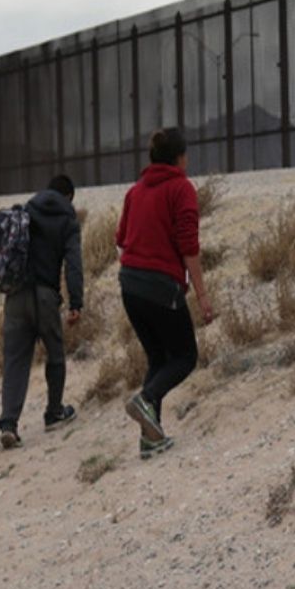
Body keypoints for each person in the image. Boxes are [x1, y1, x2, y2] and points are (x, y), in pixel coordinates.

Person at [116, 128, 216, 459]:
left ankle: (151, 437)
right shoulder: (181, 188)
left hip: (129, 284)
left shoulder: (135, 191)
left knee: (158, 359)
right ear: (179, 157)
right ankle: (145, 401)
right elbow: (189, 246)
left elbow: (120, 239)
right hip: (161, 285)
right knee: (185, 356)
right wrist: (202, 296)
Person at [0, 175, 84, 449]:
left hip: (16, 297)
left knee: (15, 361)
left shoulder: (25, 211)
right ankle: (54, 412)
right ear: (69, 196)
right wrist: (76, 302)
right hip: (45, 297)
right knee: (55, 353)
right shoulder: (68, 219)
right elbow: (73, 263)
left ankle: (9, 424)